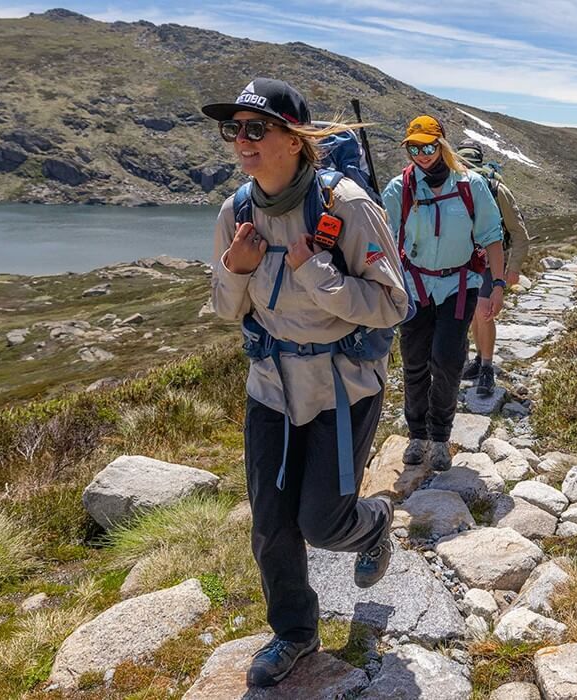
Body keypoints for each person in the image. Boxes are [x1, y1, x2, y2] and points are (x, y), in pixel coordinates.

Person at [203, 77, 410, 688]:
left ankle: (373, 524)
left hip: (342, 387)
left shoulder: (346, 206)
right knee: (271, 523)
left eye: (255, 129)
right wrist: (237, 270)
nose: (241, 141)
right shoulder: (235, 211)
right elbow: (224, 308)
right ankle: (294, 632)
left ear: (294, 140)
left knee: (323, 522)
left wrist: (320, 274)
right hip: (269, 385)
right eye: (233, 129)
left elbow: (393, 305)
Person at [381, 116, 506, 473]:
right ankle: (416, 435)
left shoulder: (471, 185)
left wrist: (496, 285)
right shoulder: (399, 189)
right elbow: (382, 239)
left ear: (442, 145)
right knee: (415, 362)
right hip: (414, 286)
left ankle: (439, 438)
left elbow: (491, 236)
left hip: (459, 285)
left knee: (448, 363)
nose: (421, 154)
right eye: (414, 148)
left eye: (428, 146)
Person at [454, 140, 530, 396]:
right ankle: (479, 361)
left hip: (489, 259)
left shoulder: (497, 190)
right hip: (461, 259)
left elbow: (518, 233)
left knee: (482, 310)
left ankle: (486, 367)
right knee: (475, 313)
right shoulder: (453, 183)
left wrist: (512, 268)